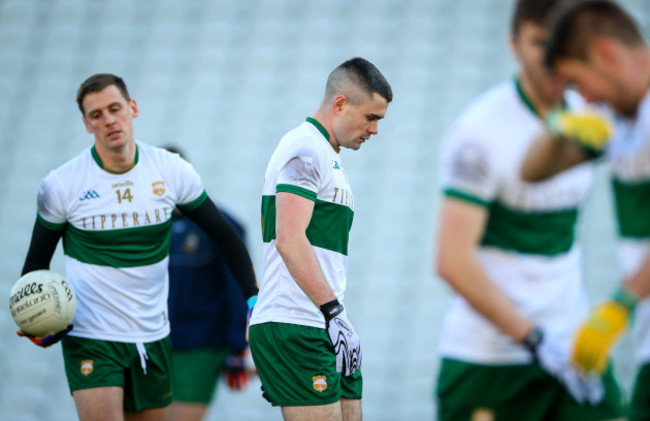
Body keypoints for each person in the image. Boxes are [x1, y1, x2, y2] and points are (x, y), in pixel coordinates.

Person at [18, 73, 259, 421]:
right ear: (86, 124)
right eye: (96, 115)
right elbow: (34, 267)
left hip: (154, 336)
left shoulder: (172, 172)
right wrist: (37, 320)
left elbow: (225, 234)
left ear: (133, 108)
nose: (108, 120)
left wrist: (253, 296)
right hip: (92, 336)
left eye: (115, 108)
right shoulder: (61, 185)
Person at [434, 0, 624, 419]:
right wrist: (535, 339)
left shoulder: (592, 113)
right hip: (490, 358)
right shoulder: (479, 132)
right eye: (541, 42)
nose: (555, 55)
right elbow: (452, 261)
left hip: (572, 345)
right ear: (514, 45)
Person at [520, 1, 650, 419]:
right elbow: (532, 171)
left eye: (580, 82)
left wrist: (620, 304)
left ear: (606, 55)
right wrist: (559, 125)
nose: (585, 98)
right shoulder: (617, 117)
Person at [248, 57, 392, 421]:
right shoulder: (306, 148)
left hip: (323, 321)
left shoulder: (326, 155)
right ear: (340, 103)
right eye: (371, 118)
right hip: (298, 320)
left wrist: (335, 318)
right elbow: (289, 238)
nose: (374, 130)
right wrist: (334, 313)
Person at [162, 145, 252, 421]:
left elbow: (238, 290)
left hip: (198, 348)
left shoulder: (221, 224)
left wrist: (238, 349)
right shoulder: (143, 229)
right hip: (150, 346)